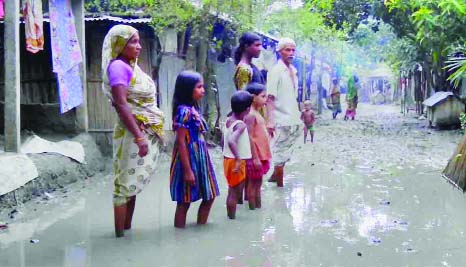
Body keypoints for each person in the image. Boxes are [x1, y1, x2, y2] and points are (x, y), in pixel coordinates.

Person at [102, 25, 165, 238]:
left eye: (138, 41)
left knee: (132, 184)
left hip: (139, 131)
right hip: (131, 133)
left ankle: (127, 230)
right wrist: (139, 137)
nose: (138, 46)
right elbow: (121, 104)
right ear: (120, 44)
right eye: (132, 42)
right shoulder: (118, 67)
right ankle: (119, 236)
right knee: (123, 185)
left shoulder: (131, 66)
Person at [170, 70, 220, 228]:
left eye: (203, 86)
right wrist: (187, 170)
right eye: (199, 87)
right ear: (187, 89)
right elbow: (181, 142)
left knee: (209, 195)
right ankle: (180, 238)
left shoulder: (193, 108)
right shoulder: (184, 111)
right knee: (184, 201)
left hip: (200, 156)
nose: (203, 90)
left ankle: (200, 229)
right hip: (188, 158)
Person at [266, 38, 302, 187]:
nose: (291, 53)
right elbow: (270, 97)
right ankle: (280, 186)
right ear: (280, 52)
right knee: (280, 152)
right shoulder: (275, 71)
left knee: (286, 150)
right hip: (280, 117)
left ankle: (275, 175)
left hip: (293, 117)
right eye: (287, 50)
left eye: (293, 50)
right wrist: (270, 120)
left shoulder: (293, 71)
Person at [223, 91, 253, 219]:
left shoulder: (229, 121)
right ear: (247, 109)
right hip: (236, 162)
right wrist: (239, 159)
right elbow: (231, 141)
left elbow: (223, 141)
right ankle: (232, 218)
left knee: (231, 190)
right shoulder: (241, 125)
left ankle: (231, 217)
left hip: (227, 160)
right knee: (234, 193)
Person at [244, 83, 271, 210]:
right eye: (263, 96)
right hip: (256, 155)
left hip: (261, 154)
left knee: (258, 183)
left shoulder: (257, 113)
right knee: (253, 183)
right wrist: (255, 158)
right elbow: (249, 136)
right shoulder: (250, 115)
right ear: (254, 97)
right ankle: (252, 209)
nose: (266, 99)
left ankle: (257, 208)